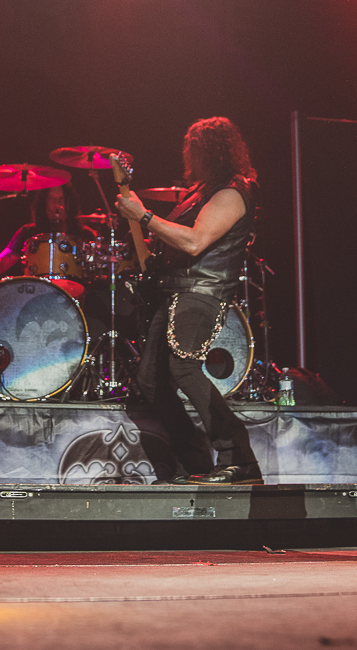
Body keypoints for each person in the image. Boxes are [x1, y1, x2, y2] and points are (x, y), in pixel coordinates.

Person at [115, 117, 261, 485]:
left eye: (192, 149)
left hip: (203, 293)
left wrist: (145, 216)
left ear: (209, 150)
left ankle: (239, 456)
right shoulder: (200, 192)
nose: (188, 156)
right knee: (150, 380)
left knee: (184, 368)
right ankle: (195, 458)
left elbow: (196, 242)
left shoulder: (231, 192)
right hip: (178, 291)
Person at [0, 182, 92, 295]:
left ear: (70, 203)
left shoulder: (85, 234)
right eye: (51, 199)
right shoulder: (29, 233)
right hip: (36, 297)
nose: (57, 204)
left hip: (77, 298)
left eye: (62, 199)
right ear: (43, 203)